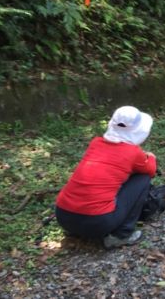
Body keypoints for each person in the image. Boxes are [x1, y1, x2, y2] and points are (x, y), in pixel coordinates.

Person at [55, 106, 157, 248]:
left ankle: (76, 232)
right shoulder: (133, 152)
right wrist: (151, 157)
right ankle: (122, 234)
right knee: (143, 178)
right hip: (98, 222)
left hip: (63, 216)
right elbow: (150, 170)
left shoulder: (96, 143)